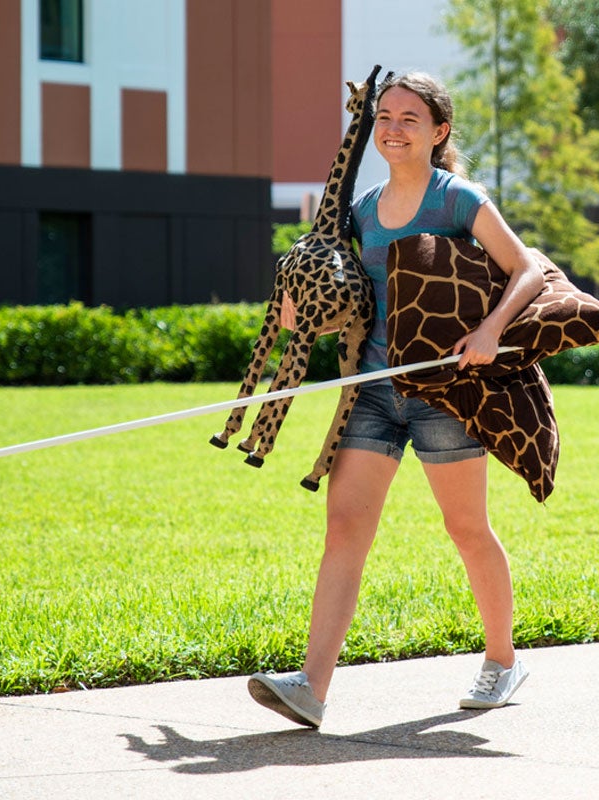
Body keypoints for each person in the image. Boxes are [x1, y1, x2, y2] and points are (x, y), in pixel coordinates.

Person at [247, 72, 546, 728]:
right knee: (345, 528)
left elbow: (526, 269)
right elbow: (345, 301)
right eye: (385, 115)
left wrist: (491, 330)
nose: (393, 127)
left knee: (466, 528)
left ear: (438, 132)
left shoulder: (458, 200)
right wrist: (305, 304)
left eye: (411, 117)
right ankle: (311, 687)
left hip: (443, 390)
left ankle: (503, 660)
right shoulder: (361, 211)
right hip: (374, 391)